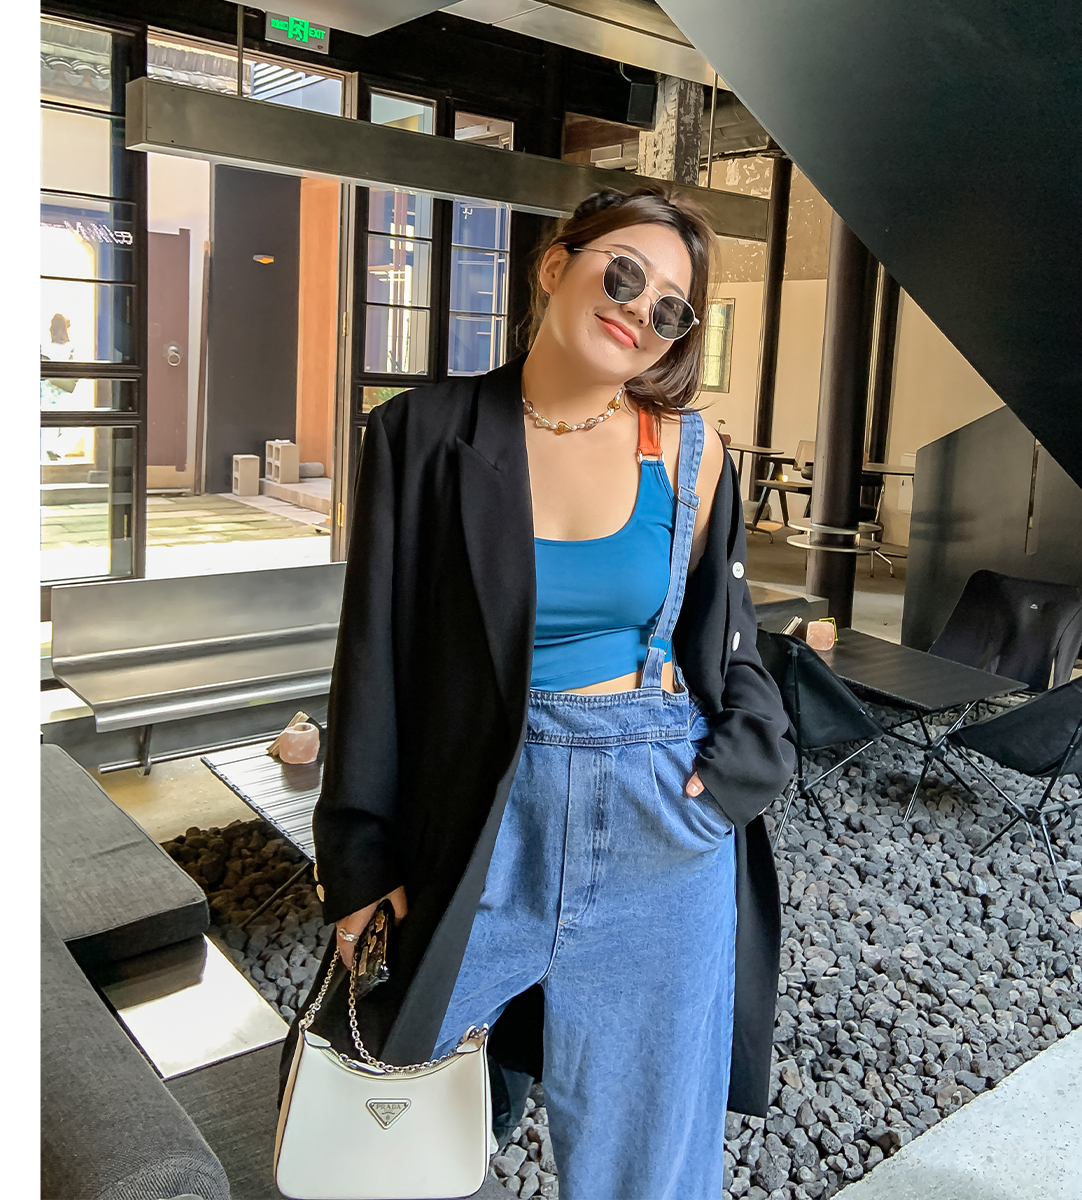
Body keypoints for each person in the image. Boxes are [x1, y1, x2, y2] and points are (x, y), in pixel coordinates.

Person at [289, 184, 796, 1200]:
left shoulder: (693, 455)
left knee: (647, 1165)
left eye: (670, 308)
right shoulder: (422, 434)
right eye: (625, 273)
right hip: (480, 815)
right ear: (556, 264)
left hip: (662, 820)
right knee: (383, 1103)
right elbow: (376, 651)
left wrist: (751, 755)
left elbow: (726, 638)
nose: (640, 309)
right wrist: (359, 853)